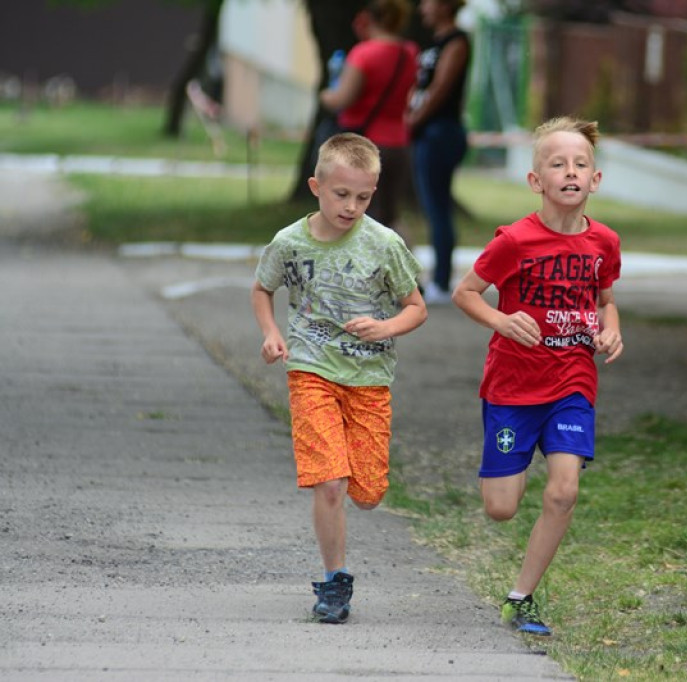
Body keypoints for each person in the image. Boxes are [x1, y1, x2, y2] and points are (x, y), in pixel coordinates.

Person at [451, 116, 624, 636]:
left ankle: (520, 598)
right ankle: (510, 464)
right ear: (535, 180)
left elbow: (606, 300)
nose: (570, 172)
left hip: (572, 381)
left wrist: (612, 329)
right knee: (501, 508)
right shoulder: (514, 241)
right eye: (558, 164)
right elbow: (465, 293)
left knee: (564, 491)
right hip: (513, 385)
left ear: (594, 179)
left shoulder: (605, 243)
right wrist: (502, 320)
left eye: (580, 164)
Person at [250, 133, 427, 624]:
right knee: (330, 483)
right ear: (316, 187)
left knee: (367, 493)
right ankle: (334, 583)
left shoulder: (384, 244)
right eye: (341, 194)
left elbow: (416, 308)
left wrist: (385, 327)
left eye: (363, 197)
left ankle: (349, 503)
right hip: (311, 369)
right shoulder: (289, 242)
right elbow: (262, 289)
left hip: (369, 377)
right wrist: (271, 334)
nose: (351, 206)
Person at [320, 0, 419, 243]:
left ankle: (363, 266)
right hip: (399, 143)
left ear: (368, 19)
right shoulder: (408, 53)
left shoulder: (364, 53)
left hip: (364, 147)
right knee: (390, 217)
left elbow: (343, 97)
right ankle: (405, 263)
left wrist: (325, 96)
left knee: (359, 216)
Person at [406, 0, 471, 303]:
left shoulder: (456, 41)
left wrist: (413, 121)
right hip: (427, 131)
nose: (423, 8)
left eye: (428, 2)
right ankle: (439, 280)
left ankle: (441, 283)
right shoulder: (434, 42)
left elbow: (440, 90)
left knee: (437, 208)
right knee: (433, 206)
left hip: (440, 132)